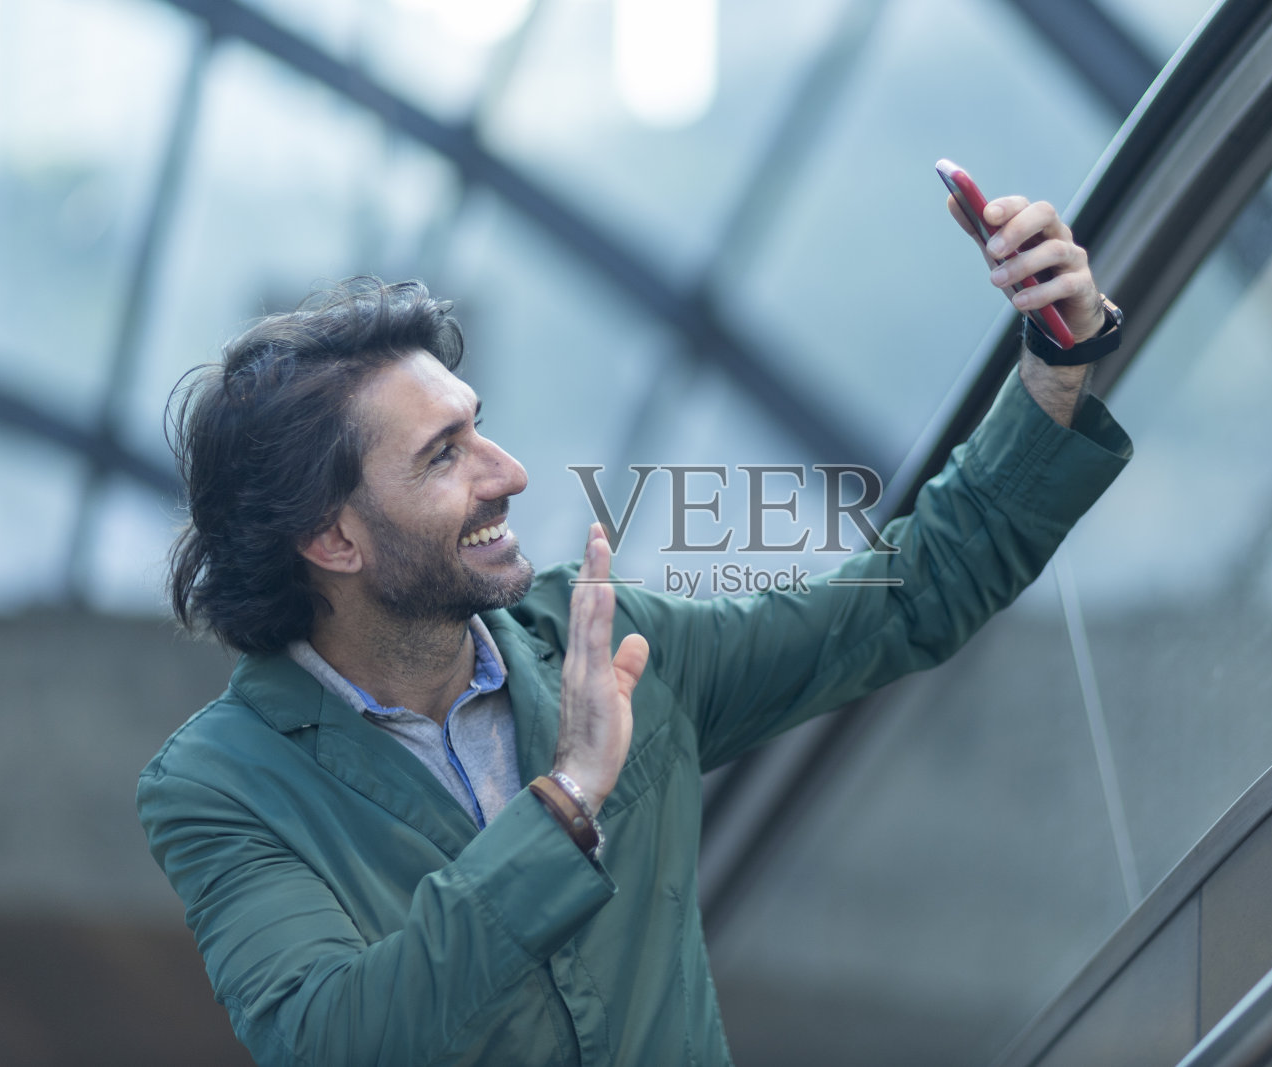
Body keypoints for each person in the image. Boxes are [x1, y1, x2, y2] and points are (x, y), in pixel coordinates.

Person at [138, 194, 1132, 1065]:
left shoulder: (609, 643)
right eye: (445, 455)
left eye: (478, 424)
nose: (508, 470)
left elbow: (910, 598)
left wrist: (1058, 354)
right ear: (331, 536)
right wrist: (568, 796)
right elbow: (337, 1039)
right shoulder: (223, 783)